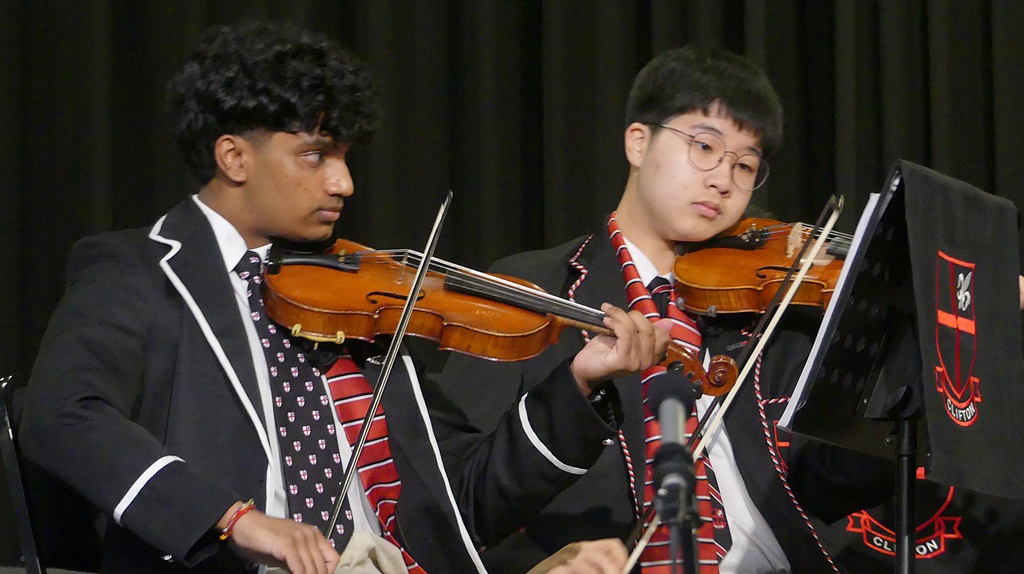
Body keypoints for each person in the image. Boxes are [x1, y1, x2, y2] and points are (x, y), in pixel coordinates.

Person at [17, 21, 666, 574]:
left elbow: (464, 500)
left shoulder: (358, 295)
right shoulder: (136, 269)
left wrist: (579, 385)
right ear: (234, 157)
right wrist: (236, 520)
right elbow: (63, 414)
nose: (344, 181)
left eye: (347, 157)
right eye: (315, 156)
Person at [437, 46, 896, 574]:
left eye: (745, 164)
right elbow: (454, 493)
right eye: (705, 146)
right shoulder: (532, 287)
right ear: (638, 142)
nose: (724, 180)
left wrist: (913, 355)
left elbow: (829, 485)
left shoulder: (765, 306)